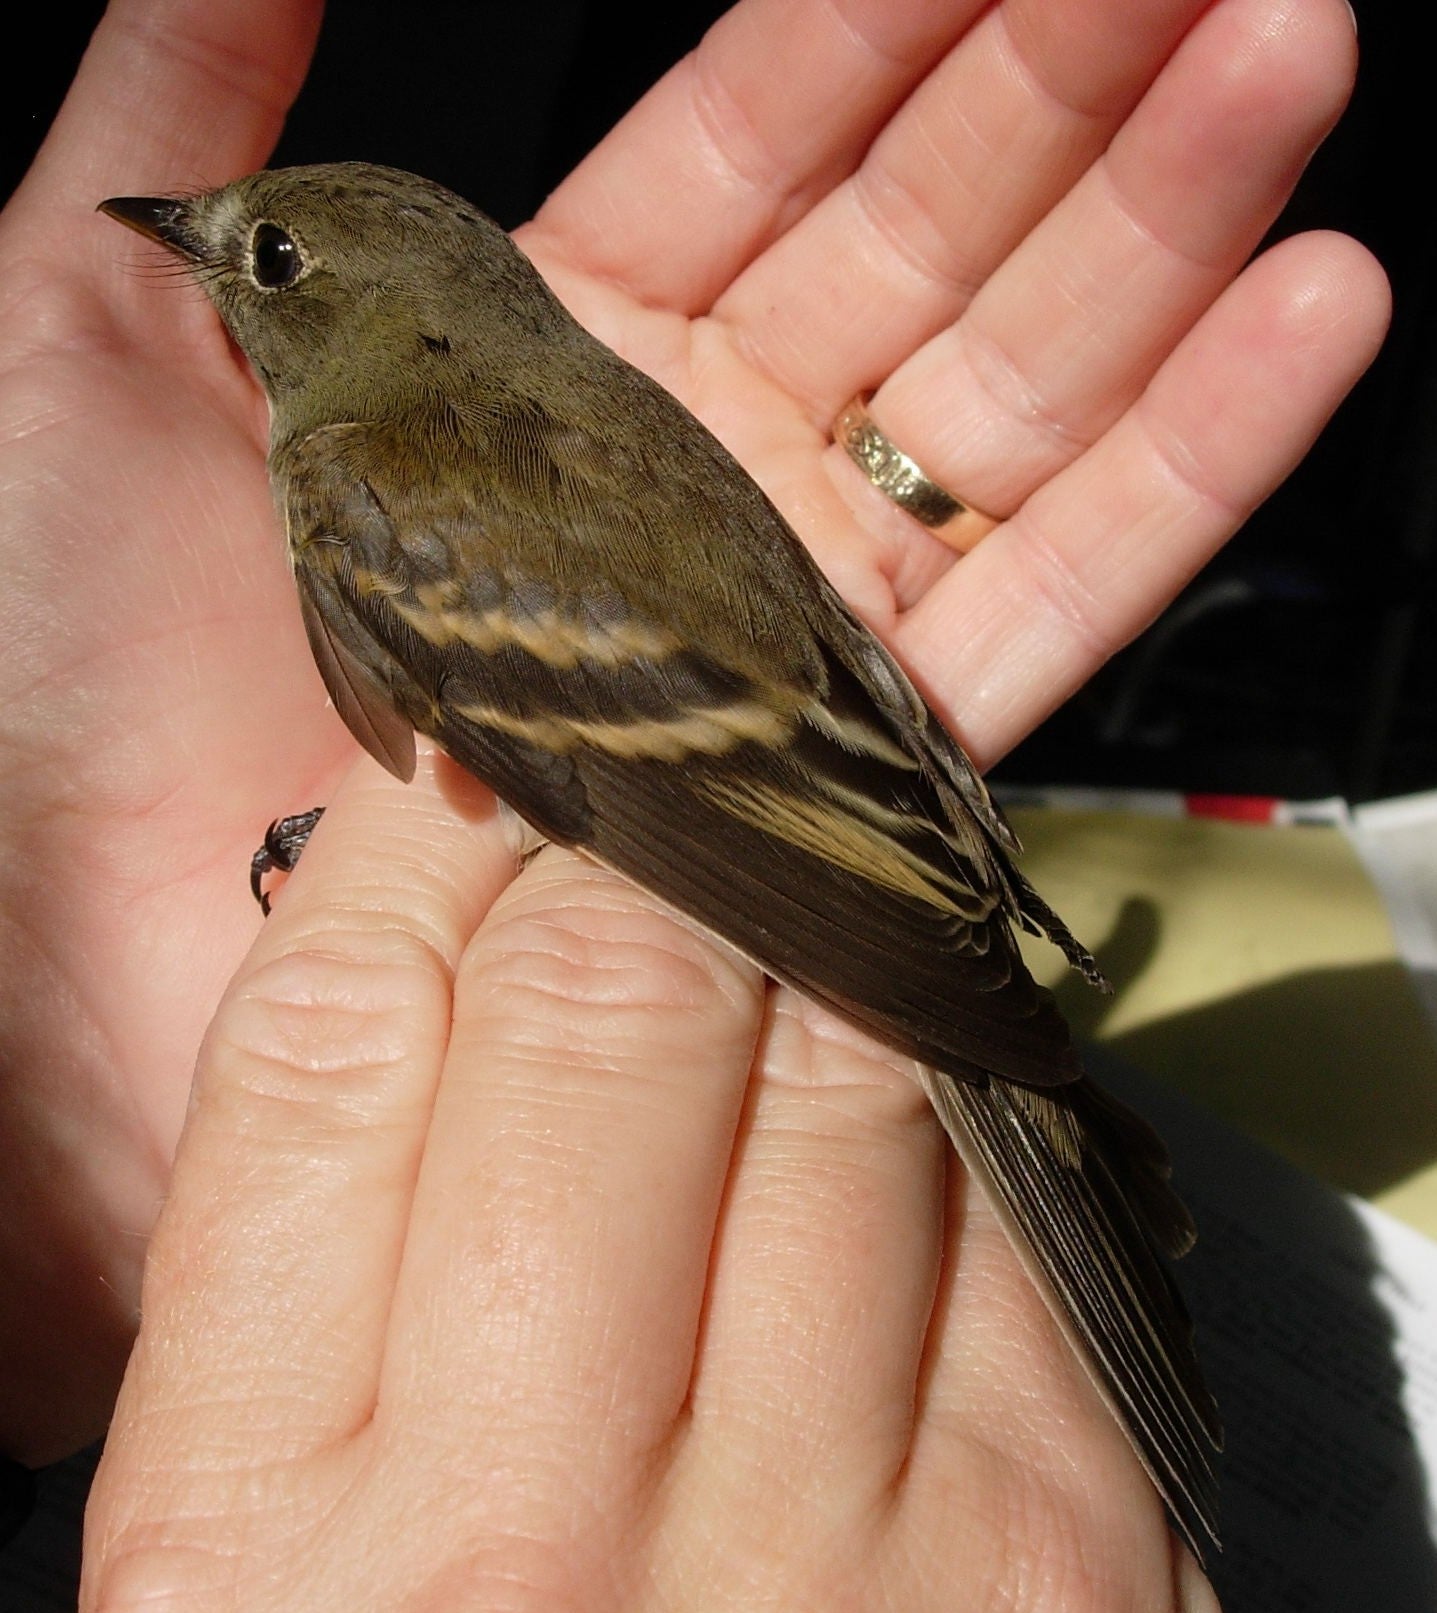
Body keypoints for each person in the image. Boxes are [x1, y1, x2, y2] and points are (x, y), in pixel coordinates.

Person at [0, 0, 1387, 1605]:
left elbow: (625, 792)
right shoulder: (551, 423)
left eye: (271, 260)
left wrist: (955, 996)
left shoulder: (361, 473)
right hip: (870, 785)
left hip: (804, 846)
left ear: (374, 321)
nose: (222, 254)